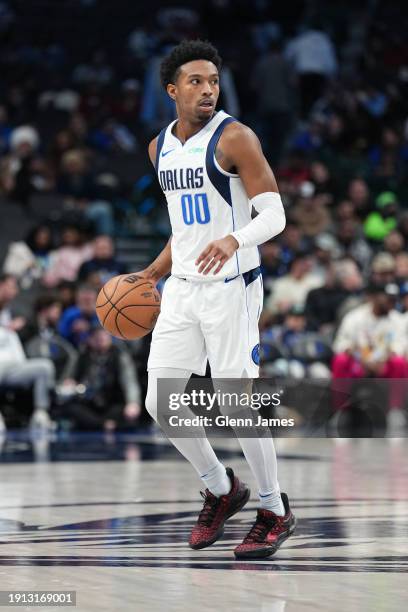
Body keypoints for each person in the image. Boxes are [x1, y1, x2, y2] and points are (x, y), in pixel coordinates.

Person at [136, 40, 296, 560]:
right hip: (183, 288)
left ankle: (273, 508)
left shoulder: (235, 138)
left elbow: (274, 216)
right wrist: (153, 273)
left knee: (236, 403)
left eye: (213, 81)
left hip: (232, 287)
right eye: (196, 82)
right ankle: (223, 489)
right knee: (160, 402)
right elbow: (184, 228)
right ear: (172, 90)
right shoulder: (159, 148)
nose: (207, 89)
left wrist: (235, 239)